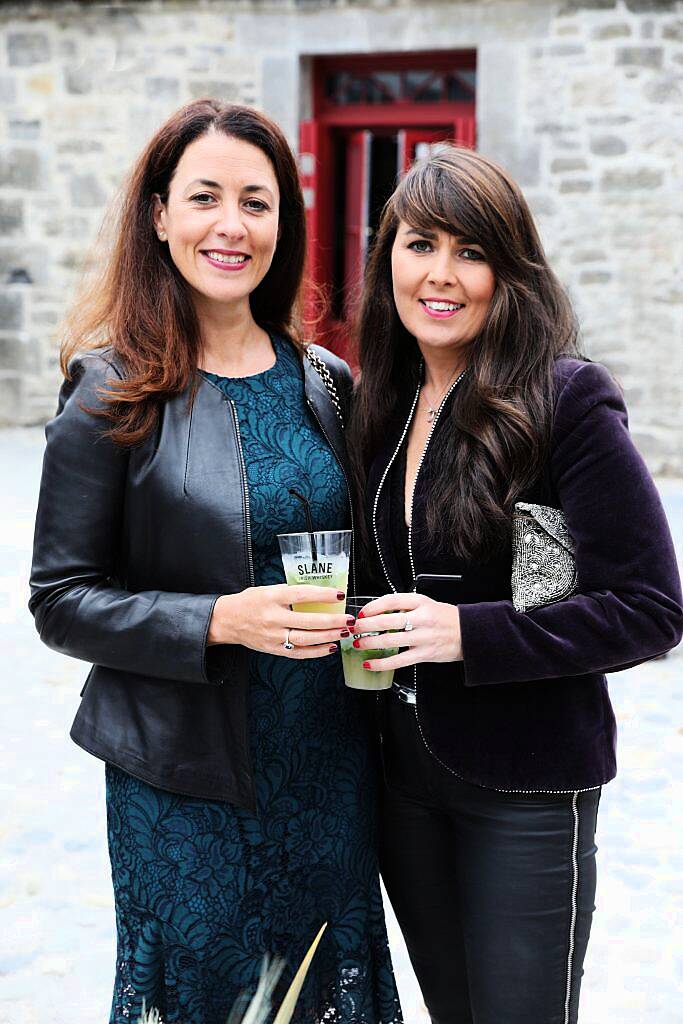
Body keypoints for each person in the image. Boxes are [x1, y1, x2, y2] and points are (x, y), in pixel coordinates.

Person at [29, 99, 402, 1024]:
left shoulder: (326, 381)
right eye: (205, 197)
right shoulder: (109, 387)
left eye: (257, 201)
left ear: (286, 223)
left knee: (322, 988)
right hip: (184, 781)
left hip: (325, 764)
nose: (231, 226)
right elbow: (60, 599)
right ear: (159, 215)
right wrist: (214, 620)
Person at [347, 145, 683, 1024]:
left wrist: (468, 634)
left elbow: (649, 607)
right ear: (387, 258)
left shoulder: (564, 398)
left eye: (471, 251)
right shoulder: (380, 402)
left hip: (527, 785)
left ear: (510, 271)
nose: (440, 275)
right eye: (420, 245)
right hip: (404, 783)